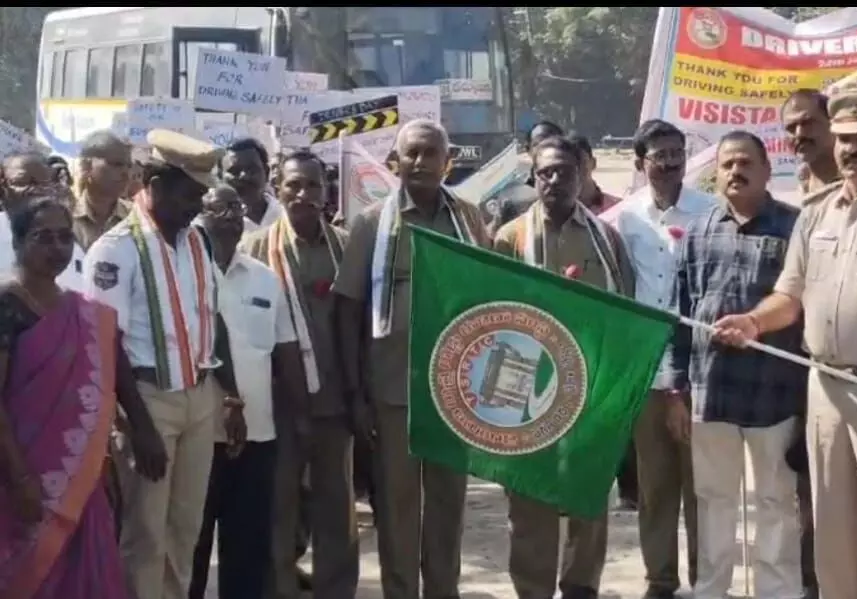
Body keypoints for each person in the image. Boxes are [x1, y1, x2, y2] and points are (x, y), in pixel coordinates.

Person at [713, 89, 857, 599]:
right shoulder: (817, 210)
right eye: (844, 139)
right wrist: (754, 323)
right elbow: (789, 294)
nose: (851, 150)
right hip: (824, 386)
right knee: (830, 529)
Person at [333, 119, 490, 599]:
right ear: (395, 162)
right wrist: (355, 394)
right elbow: (347, 312)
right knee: (397, 511)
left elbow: (488, 301)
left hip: (453, 395)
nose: (420, 162)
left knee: (448, 507)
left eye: (430, 154)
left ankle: (443, 591)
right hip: (392, 392)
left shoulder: (469, 219)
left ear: (449, 162)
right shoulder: (371, 223)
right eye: (412, 154)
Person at [0, 194, 166, 598]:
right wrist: (20, 479)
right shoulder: (7, 306)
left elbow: (113, 371)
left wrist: (140, 426)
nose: (57, 248)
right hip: (17, 472)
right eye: (43, 237)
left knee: (82, 572)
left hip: (79, 476)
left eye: (64, 237)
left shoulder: (83, 311)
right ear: (19, 243)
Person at [493, 134, 635, 599]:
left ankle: (580, 586)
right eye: (546, 172)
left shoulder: (606, 238)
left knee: (587, 491)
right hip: (526, 387)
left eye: (565, 172)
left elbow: (625, 311)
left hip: (589, 387)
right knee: (529, 496)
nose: (555, 180)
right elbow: (493, 315)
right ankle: (532, 588)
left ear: (582, 177)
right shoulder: (509, 238)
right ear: (534, 179)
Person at [82, 129, 222, 599]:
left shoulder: (197, 242)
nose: (197, 205)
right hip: (148, 402)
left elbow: (206, 322)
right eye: (190, 195)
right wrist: (138, 426)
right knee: (145, 536)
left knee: (186, 530)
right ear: (155, 183)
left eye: (202, 195)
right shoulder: (115, 249)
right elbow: (106, 344)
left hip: (200, 398)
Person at [664, 131, 804, 598]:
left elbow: (802, 307)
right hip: (711, 392)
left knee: (775, 502)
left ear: (767, 170)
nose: (735, 171)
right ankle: (711, 589)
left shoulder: (793, 228)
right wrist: (677, 390)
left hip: (774, 394)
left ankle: (777, 592)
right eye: (726, 164)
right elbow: (679, 318)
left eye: (745, 162)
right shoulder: (698, 232)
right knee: (714, 502)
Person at [239, 149, 359, 599]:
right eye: (293, 184)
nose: (303, 194)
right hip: (276, 404)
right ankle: (280, 588)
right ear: (277, 186)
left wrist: (356, 394)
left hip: (333, 402)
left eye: (312, 185)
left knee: (336, 507)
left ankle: (336, 589)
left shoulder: (345, 247)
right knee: (280, 505)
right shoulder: (254, 249)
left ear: (326, 190)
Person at [780, 87, 857, 598]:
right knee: (817, 500)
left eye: (809, 124)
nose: (801, 135)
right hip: (806, 375)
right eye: (791, 127)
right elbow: (788, 295)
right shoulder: (802, 202)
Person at [188, 185, 310, 599]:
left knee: (247, 551)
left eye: (235, 208)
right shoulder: (184, 276)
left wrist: (302, 417)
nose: (228, 216)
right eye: (215, 208)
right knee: (193, 547)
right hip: (198, 434)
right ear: (197, 216)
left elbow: (287, 349)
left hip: (257, 437)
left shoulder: (265, 278)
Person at [601, 119, 706, 598]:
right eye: (659, 155)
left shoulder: (711, 211)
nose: (669, 163)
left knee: (701, 486)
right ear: (641, 162)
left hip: (699, 366)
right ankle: (660, 581)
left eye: (676, 152)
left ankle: (707, 580)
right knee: (655, 486)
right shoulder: (621, 220)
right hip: (645, 366)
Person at [72, 131, 134, 251]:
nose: (126, 173)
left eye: (129, 166)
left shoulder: (136, 217)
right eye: (116, 164)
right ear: (87, 166)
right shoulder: (65, 217)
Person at [217, 137, 282, 233]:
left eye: (252, 169)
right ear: (220, 177)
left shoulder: (288, 217)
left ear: (267, 172)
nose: (244, 177)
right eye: (235, 171)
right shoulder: (211, 225)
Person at [781, 89, 839, 194]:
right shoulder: (794, 195)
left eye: (808, 123)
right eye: (791, 128)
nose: (799, 133)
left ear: (833, 123)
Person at [569, 134, 621, 215]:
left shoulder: (618, 208)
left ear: (593, 163)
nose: (576, 168)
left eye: (580, 162)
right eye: (570, 164)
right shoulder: (556, 214)